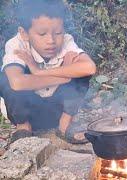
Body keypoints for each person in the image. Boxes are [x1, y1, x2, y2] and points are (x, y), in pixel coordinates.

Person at [0, 0, 96, 144]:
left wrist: (38, 72)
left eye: (58, 33)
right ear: (24, 33)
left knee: (81, 74)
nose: (51, 40)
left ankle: (64, 127)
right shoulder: (17, 44)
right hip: (29, 111)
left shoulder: (66, 41)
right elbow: (17, 83)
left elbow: (89, 68)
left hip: (56, 111)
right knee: (7, 78)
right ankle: (23, 128)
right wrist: (64, 77)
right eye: (42, 34)